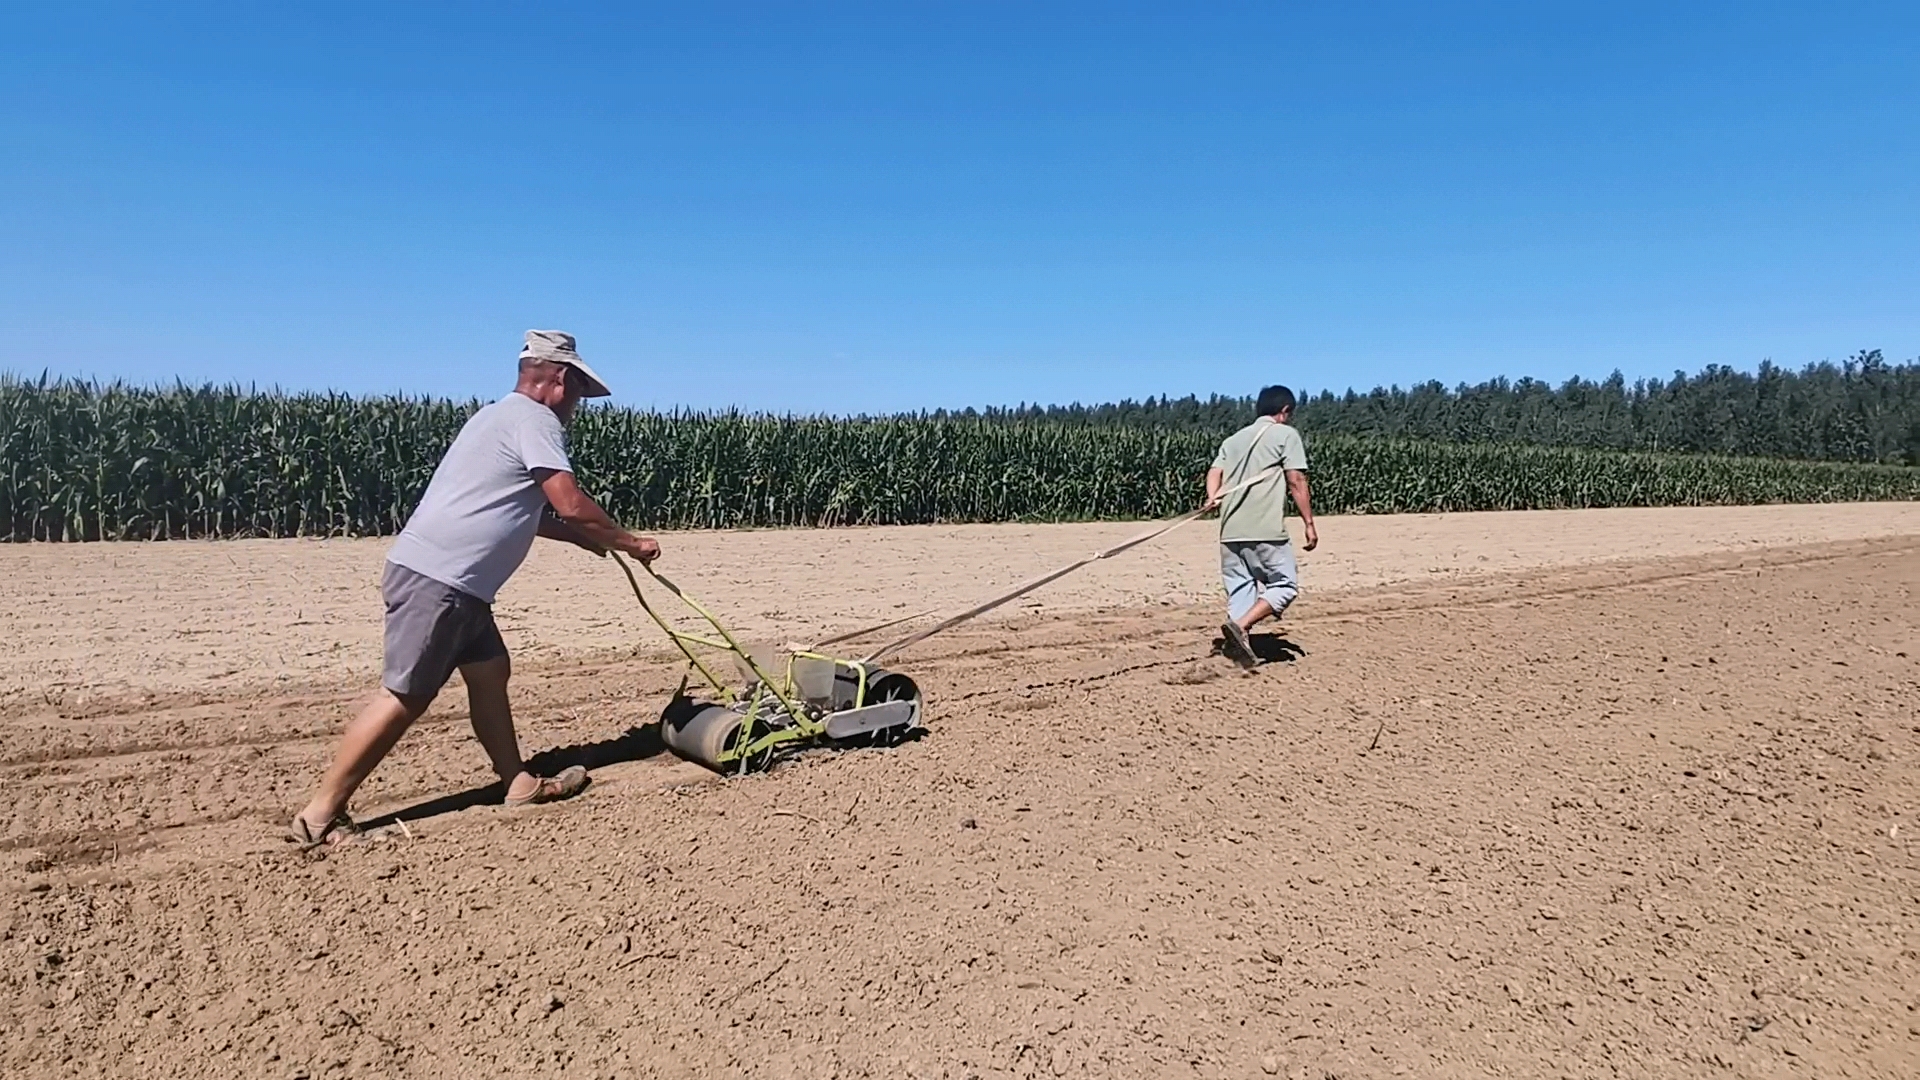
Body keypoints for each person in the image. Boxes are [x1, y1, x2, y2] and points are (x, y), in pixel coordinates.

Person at [289, 329, 663, 850]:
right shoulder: (536, 420)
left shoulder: (494, 416)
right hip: (441, 583)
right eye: (577, 391)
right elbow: (571, 502)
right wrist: (628, 542)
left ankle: (517, 784)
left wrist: (582, 541)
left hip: (458, 588)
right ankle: (320, 816)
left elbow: (513, 511)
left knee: (490, 673)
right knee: (404, 696)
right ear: (559, 379)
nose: (577, 404)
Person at [1203, 384, 1318, 669]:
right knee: (1285, 585)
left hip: (1230, 530)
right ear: (1285, 411)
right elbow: (1296, 481)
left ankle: (1237, 651)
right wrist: (1309, 523)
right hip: (1264, 527)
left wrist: (1212, 496)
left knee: (1240, 589)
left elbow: (1214, 471)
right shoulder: (1285, 435)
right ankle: (1240, 627)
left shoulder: (1234, 440)